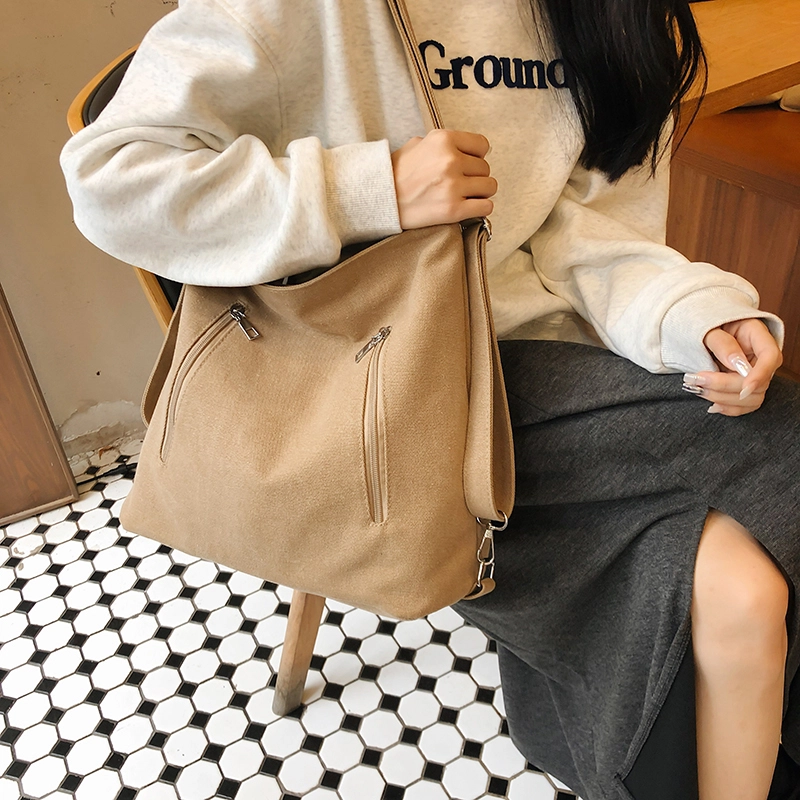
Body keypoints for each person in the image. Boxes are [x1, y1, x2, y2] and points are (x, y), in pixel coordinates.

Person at [59, 0, 800, 797]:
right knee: (764, 501)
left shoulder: (614, 15)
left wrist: (693, 312)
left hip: (550, 364)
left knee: (740, 580)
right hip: (375, 403)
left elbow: (584, 228)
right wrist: (368, 188)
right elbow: (113, 179)